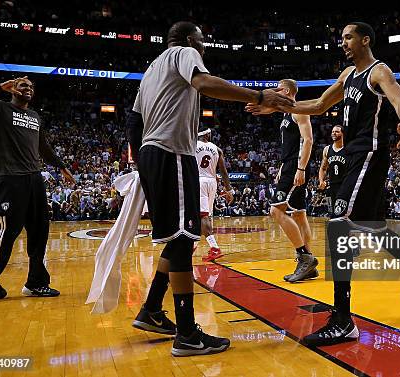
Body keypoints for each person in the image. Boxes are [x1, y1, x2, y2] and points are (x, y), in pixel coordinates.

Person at [247, 22, 400, 346]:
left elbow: (398, 97)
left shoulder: (378, 71)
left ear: (365, 39)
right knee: (375, 229)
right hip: (355, 158)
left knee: (339, 225)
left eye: (348, 37)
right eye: (341, 38)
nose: (343, 43)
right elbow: (316, 106)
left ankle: (342, 319)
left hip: (369, 153)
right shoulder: (345, 76)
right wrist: (277, 105)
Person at [126, 21, 293, 356]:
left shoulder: (151, 70)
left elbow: (134, 120)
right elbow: (203, 81)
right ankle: (187, 334)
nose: (204, 47)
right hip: (172, 153)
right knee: (185, 241)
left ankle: (152, 310)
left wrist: (139, 164)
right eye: (203, 41)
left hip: (151, 153)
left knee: (177, 241)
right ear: (190, 40)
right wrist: (259, 95)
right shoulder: (184, 53)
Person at [0, 76, 74, 299]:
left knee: (40, 231)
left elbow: (43, 147)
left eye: (32, 86)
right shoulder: (0, 109)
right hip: (10, 178)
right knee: (7, 232)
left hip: (34, 179)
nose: (29, 89)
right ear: (12, 88)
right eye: (24, 85)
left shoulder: (35, 117)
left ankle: (36, 282)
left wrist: (61, 166)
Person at [268, 79, 317, 283]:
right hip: (288, 166)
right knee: (299, 215)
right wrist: (281, 169)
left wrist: (300, 168)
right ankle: (310, 265)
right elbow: (290, 144)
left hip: (295, 167)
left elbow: (308, 140)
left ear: (286, 90)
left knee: (276, 210)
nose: (276, 90)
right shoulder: (287, 114)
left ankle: (304, 257)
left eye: (278, 88)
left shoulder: (299, 109)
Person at [195, 126, 234, 262]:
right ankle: (192, 246)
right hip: (212, 182)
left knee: (203, 216)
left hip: (198, 180)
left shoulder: (192, 145)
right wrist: (229, 190)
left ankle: (215, 248)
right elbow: (223, 171)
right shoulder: (217, 149)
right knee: (205, 216)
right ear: (208, 134)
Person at [318, 125, 347, 211]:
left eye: (337, 131)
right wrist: (321, 181)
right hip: (333, 184)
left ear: (343, 134)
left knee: (344, 210)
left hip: (345, 184)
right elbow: (323, 168)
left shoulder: (347, 149)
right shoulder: (327, 149)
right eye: (333, 131)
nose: (334, 133)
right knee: (335, 210)